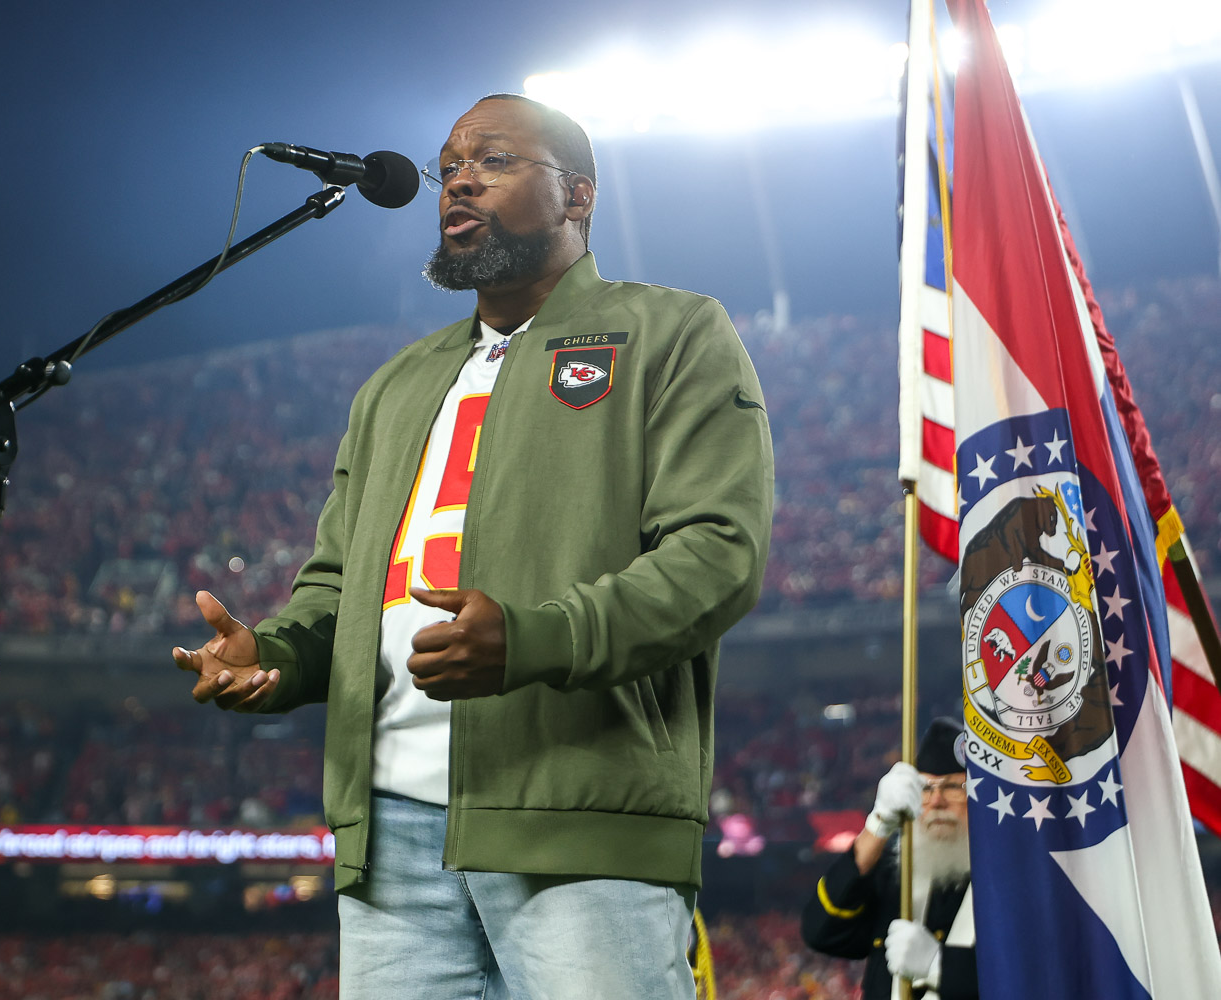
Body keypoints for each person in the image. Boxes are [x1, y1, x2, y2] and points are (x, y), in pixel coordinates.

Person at [171, 93, 774, 999]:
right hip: (387, 836)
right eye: (449, 164)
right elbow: (340, 584)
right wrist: (280, 657)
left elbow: (718, 555)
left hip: (578, 815)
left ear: (577, 197)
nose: (457, 180)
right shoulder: (396, 383)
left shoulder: (672, 331)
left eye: (493, 161)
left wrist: (535, 637)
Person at [801, 716, 977, 1000]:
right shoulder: (897, 870)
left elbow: (1036, 980)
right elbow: (821, 931)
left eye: (952, 788)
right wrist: (878, 825)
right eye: (925, 788)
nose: (935, 802)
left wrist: (940, 966)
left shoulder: (1009, 880)